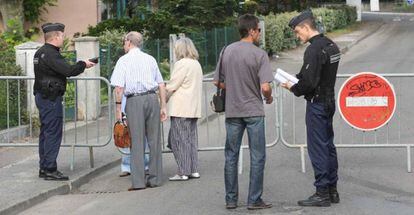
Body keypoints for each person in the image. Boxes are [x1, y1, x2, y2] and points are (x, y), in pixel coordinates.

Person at [213, 14, 274, 210]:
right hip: (254, 111)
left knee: (231, 155)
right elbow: (265, 87)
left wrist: (234, 87)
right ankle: (254, 199)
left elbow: (217, 81)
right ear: (251, 31)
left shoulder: (226, 51)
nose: (259, 33)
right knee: (257, 155)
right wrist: (269, 97)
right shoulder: (259, 54)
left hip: (232, 110)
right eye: (258, 29)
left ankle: (231, 199)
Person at [281, 10, 341, 207]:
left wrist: (292, 86)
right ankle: (332, 190)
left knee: (318, 148)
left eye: (298, 32)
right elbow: (314, 75)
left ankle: (321, 192)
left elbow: (307, 84)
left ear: (307, 27)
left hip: (317, 103)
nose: (297, 36)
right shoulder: (331, 45)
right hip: (330, 99)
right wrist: (298, 79)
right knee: (328, 146)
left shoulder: (314, 49)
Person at [34, 23, 95, 181]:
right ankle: (50, 169)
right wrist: (83, 64)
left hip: (43, 96)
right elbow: (68, 71)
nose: (63, 38)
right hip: (51, 99)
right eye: (62, 35)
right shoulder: (51, 54)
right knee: (52, 133)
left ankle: (44, 167)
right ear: (55, 37)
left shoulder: (40, 52)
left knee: (46, 133)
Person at [110, 31, 167, 191]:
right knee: (154, 140)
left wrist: (119, 110)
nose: (123, 45)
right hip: (151, 99)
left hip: (134, 101)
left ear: (129, 42)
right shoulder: (150, 59)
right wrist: (163, 106)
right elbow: (161, 83)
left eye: (124, 42)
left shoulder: (123, 61)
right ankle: (155, 179)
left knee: (136, 141)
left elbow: (119, 88)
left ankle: (139, 182)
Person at [166, 38, 203, 181]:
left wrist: (161, 95)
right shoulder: (196, 64)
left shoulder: (181, 64)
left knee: (178, 140)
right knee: (190, 139)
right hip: (193, 107)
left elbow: (172, 85)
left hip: (181, 107)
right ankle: (193, 169)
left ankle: (183, 171)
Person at [119, 95, 149, 177]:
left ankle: (145, 164)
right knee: (127, 135)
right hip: (127, 102)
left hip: (138, 99)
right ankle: (127, 165)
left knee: (142, 134)